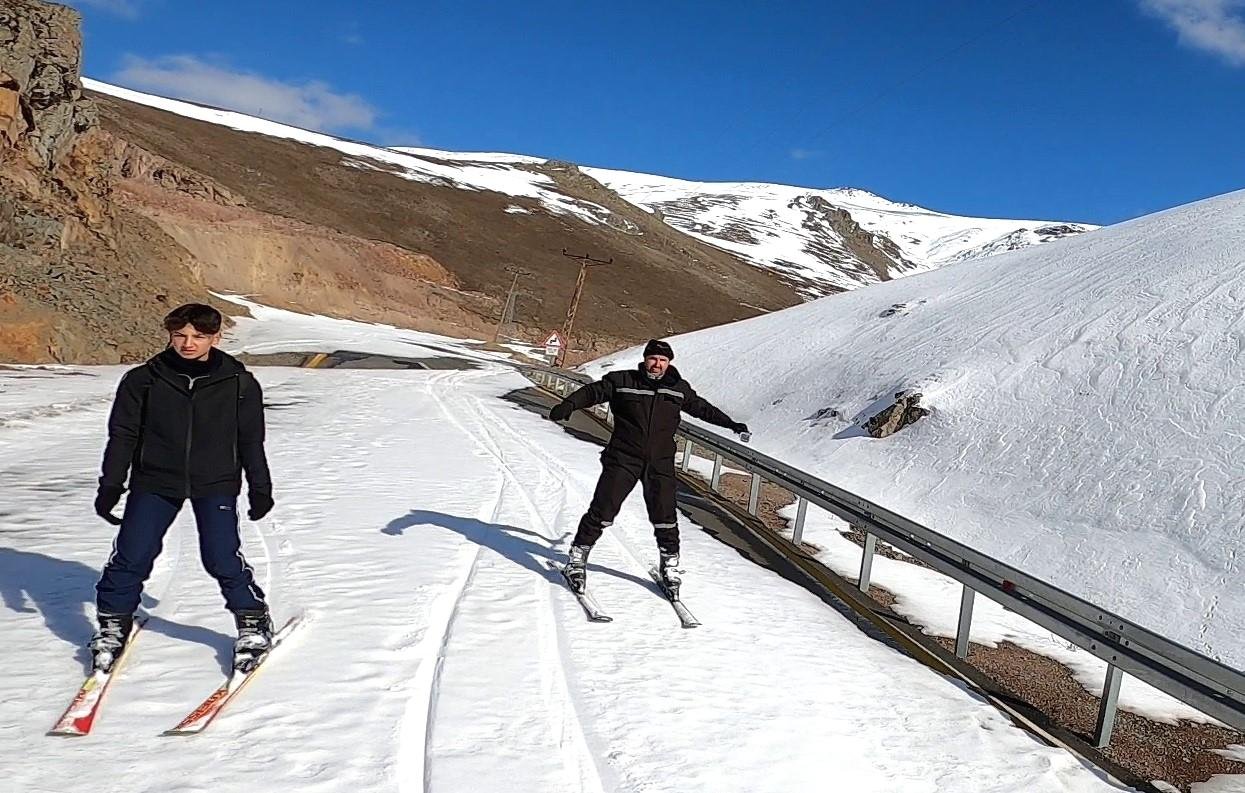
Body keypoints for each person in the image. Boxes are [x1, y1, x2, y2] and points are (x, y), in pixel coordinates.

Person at [90, 303, 275, 673]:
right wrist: (111, 483)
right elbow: (123, 435)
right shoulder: (142, 380)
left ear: (216, 338)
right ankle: (112, 623)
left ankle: (252, 620)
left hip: (216, 481)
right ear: (170, 335)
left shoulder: (240, 384)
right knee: (132, 554)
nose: (188, 343)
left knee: (221, 556)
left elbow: (251, 440)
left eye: (198, 336)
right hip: (155, 480)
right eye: (180, 336)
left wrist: (260, 485)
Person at [547, 339, 749, 595]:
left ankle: (670, 565)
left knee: (665, 516)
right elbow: (592, 392)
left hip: (660, 463)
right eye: (653, 358)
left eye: (663, 360)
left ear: (669, 363)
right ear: (645, 359)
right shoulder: (622, 381)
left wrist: (731, 424)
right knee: (603, 510)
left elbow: (702, 409)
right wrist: (569, 405)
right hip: (623, 458)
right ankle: (577, 556)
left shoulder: (678, 388)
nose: (657, 364)